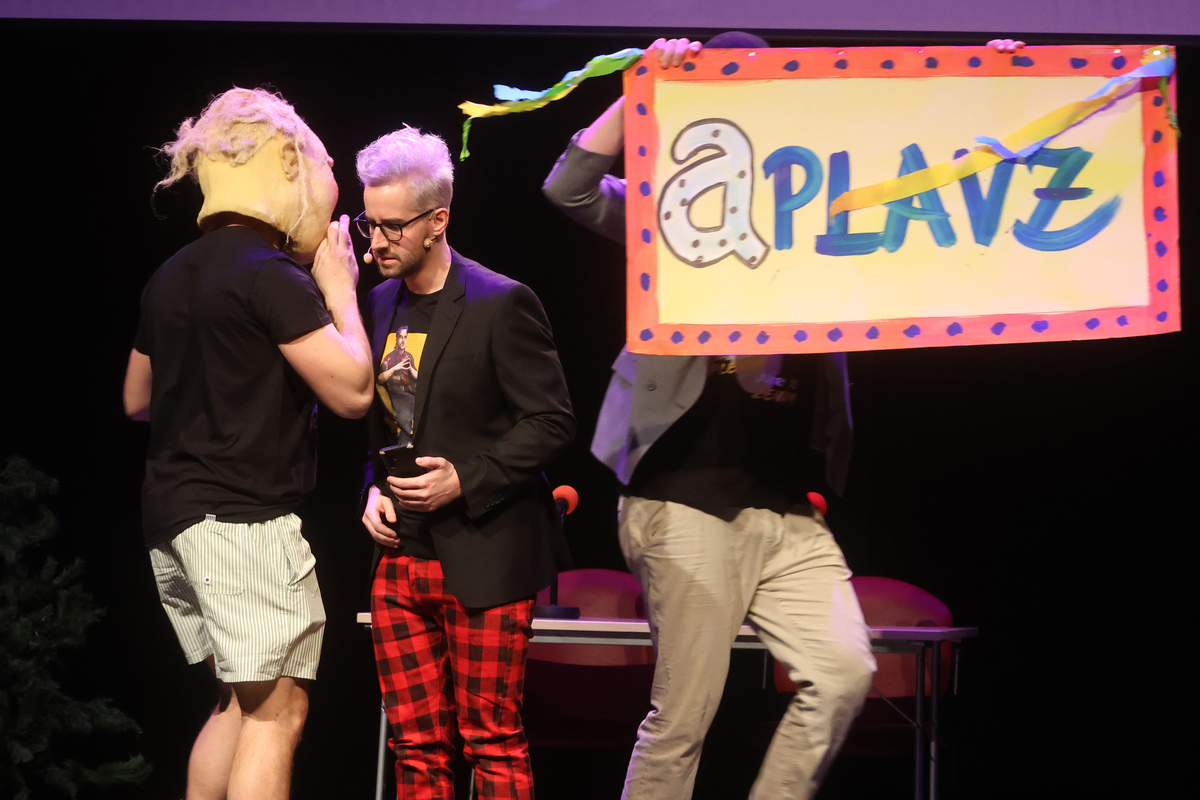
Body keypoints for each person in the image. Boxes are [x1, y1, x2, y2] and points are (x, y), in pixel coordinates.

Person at [542, 34, 877, 800]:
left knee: (843, 672)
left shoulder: (822, 213)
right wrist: (642, 85)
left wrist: (999, 83)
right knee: (684, 717)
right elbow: (570, 187)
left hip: (786, 510)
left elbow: (945, 206)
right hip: (683, 494)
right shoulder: (676, 212)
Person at [122, 87, 374, 800]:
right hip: (239, 522)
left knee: (237, 701)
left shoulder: (172, 274)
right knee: (276, 710)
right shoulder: (270, 275)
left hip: (172, 516)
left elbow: (136, 399)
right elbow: (353, 391)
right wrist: (339, 290)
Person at [356, 125, 575, 799]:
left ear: (437, 221)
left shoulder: (500, 302)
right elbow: (386, 419)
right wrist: (372, 489)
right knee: (414, 745)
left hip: (484, 553)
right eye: (369, 223)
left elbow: (552, 421)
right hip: (401, 557)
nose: (377, 241)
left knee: (491, 739)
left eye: (393, 226)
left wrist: (465, 479)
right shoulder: (379, 301)